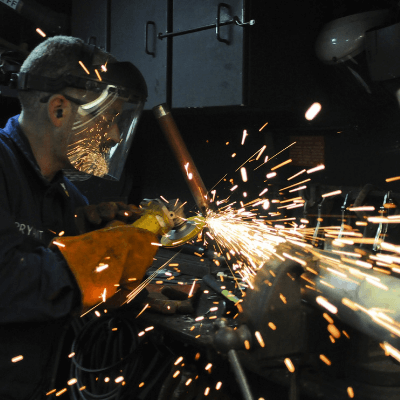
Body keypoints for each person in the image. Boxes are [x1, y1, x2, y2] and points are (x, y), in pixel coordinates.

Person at [0, 36, 159, 399]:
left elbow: (52, 251)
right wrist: (107, 252)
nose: (115, 135)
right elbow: (6, 280)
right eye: (109, 119)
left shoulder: (67, 193)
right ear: (59, 109)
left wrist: (93, 228)